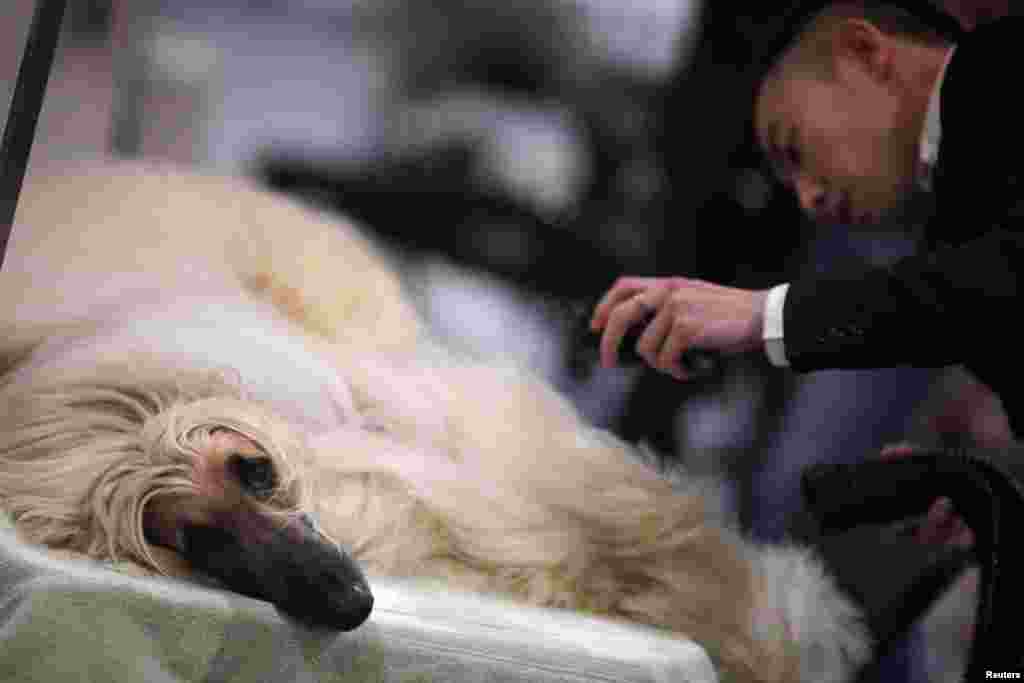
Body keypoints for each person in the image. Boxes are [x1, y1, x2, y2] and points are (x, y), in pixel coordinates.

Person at [592, 2, 1022, 439]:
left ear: (863, 52)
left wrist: (763, 315)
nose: (807, 198)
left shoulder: (1006, 68)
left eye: (793, 149)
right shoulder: (957, 227)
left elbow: (999, 282)